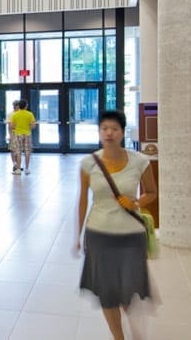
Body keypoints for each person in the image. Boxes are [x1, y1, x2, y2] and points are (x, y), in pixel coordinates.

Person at [76, 110, 157, 340]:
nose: (109, 133)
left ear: (122, 132)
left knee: (128, 291)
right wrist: (78, 234)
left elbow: (152, 192)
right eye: (104, 128)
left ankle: (135, 330)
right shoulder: (88, 163)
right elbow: (83, 200)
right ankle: (118, 337)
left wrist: (136, 203)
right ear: (99, 131)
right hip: (99, 233)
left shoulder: (140, 161)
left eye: (114, 129)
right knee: (107, 293)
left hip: (131, 235)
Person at [8, 99, 36, 175]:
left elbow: (11, 126)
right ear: (26, 106)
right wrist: (27, 127)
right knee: (27, 152)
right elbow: (33, 126)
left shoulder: (14, 115)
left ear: (19, 106)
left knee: (18, 152)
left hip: (17, 134)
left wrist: (17, 127)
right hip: (27, 134)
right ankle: (27, 169)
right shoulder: (30, 114)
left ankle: (18, 170)